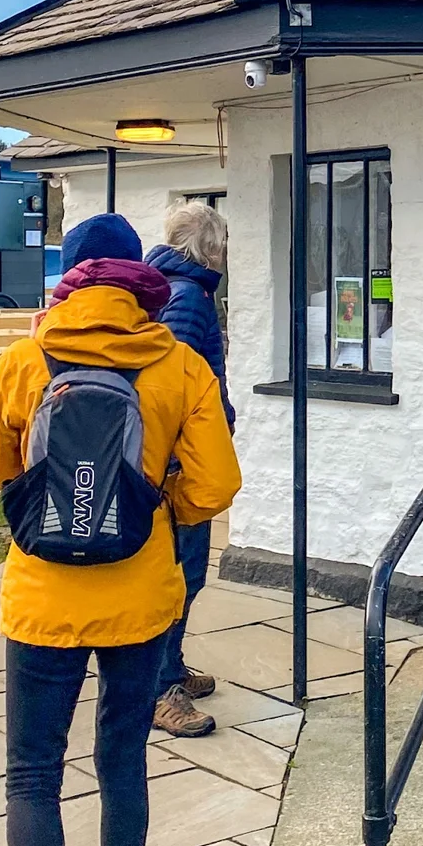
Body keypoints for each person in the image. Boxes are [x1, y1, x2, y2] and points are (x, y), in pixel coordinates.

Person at [0, 211, 240, 846]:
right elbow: (215, 487)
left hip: (42, 601)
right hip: (138, 602)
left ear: (76, 279)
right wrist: (158, 498)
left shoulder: (27, 354)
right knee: (120, 764)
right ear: (141, 281)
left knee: (30, 775)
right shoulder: (178, 362)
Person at [145, 200, 234, 738]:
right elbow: (172, 385)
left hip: (175, 461)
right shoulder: (188, 296)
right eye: (222, 243)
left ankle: (169, 669)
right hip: (180, 466)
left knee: (183, 571)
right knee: (182, 574)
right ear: (210, 246)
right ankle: (161, 690)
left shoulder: (171, 286)